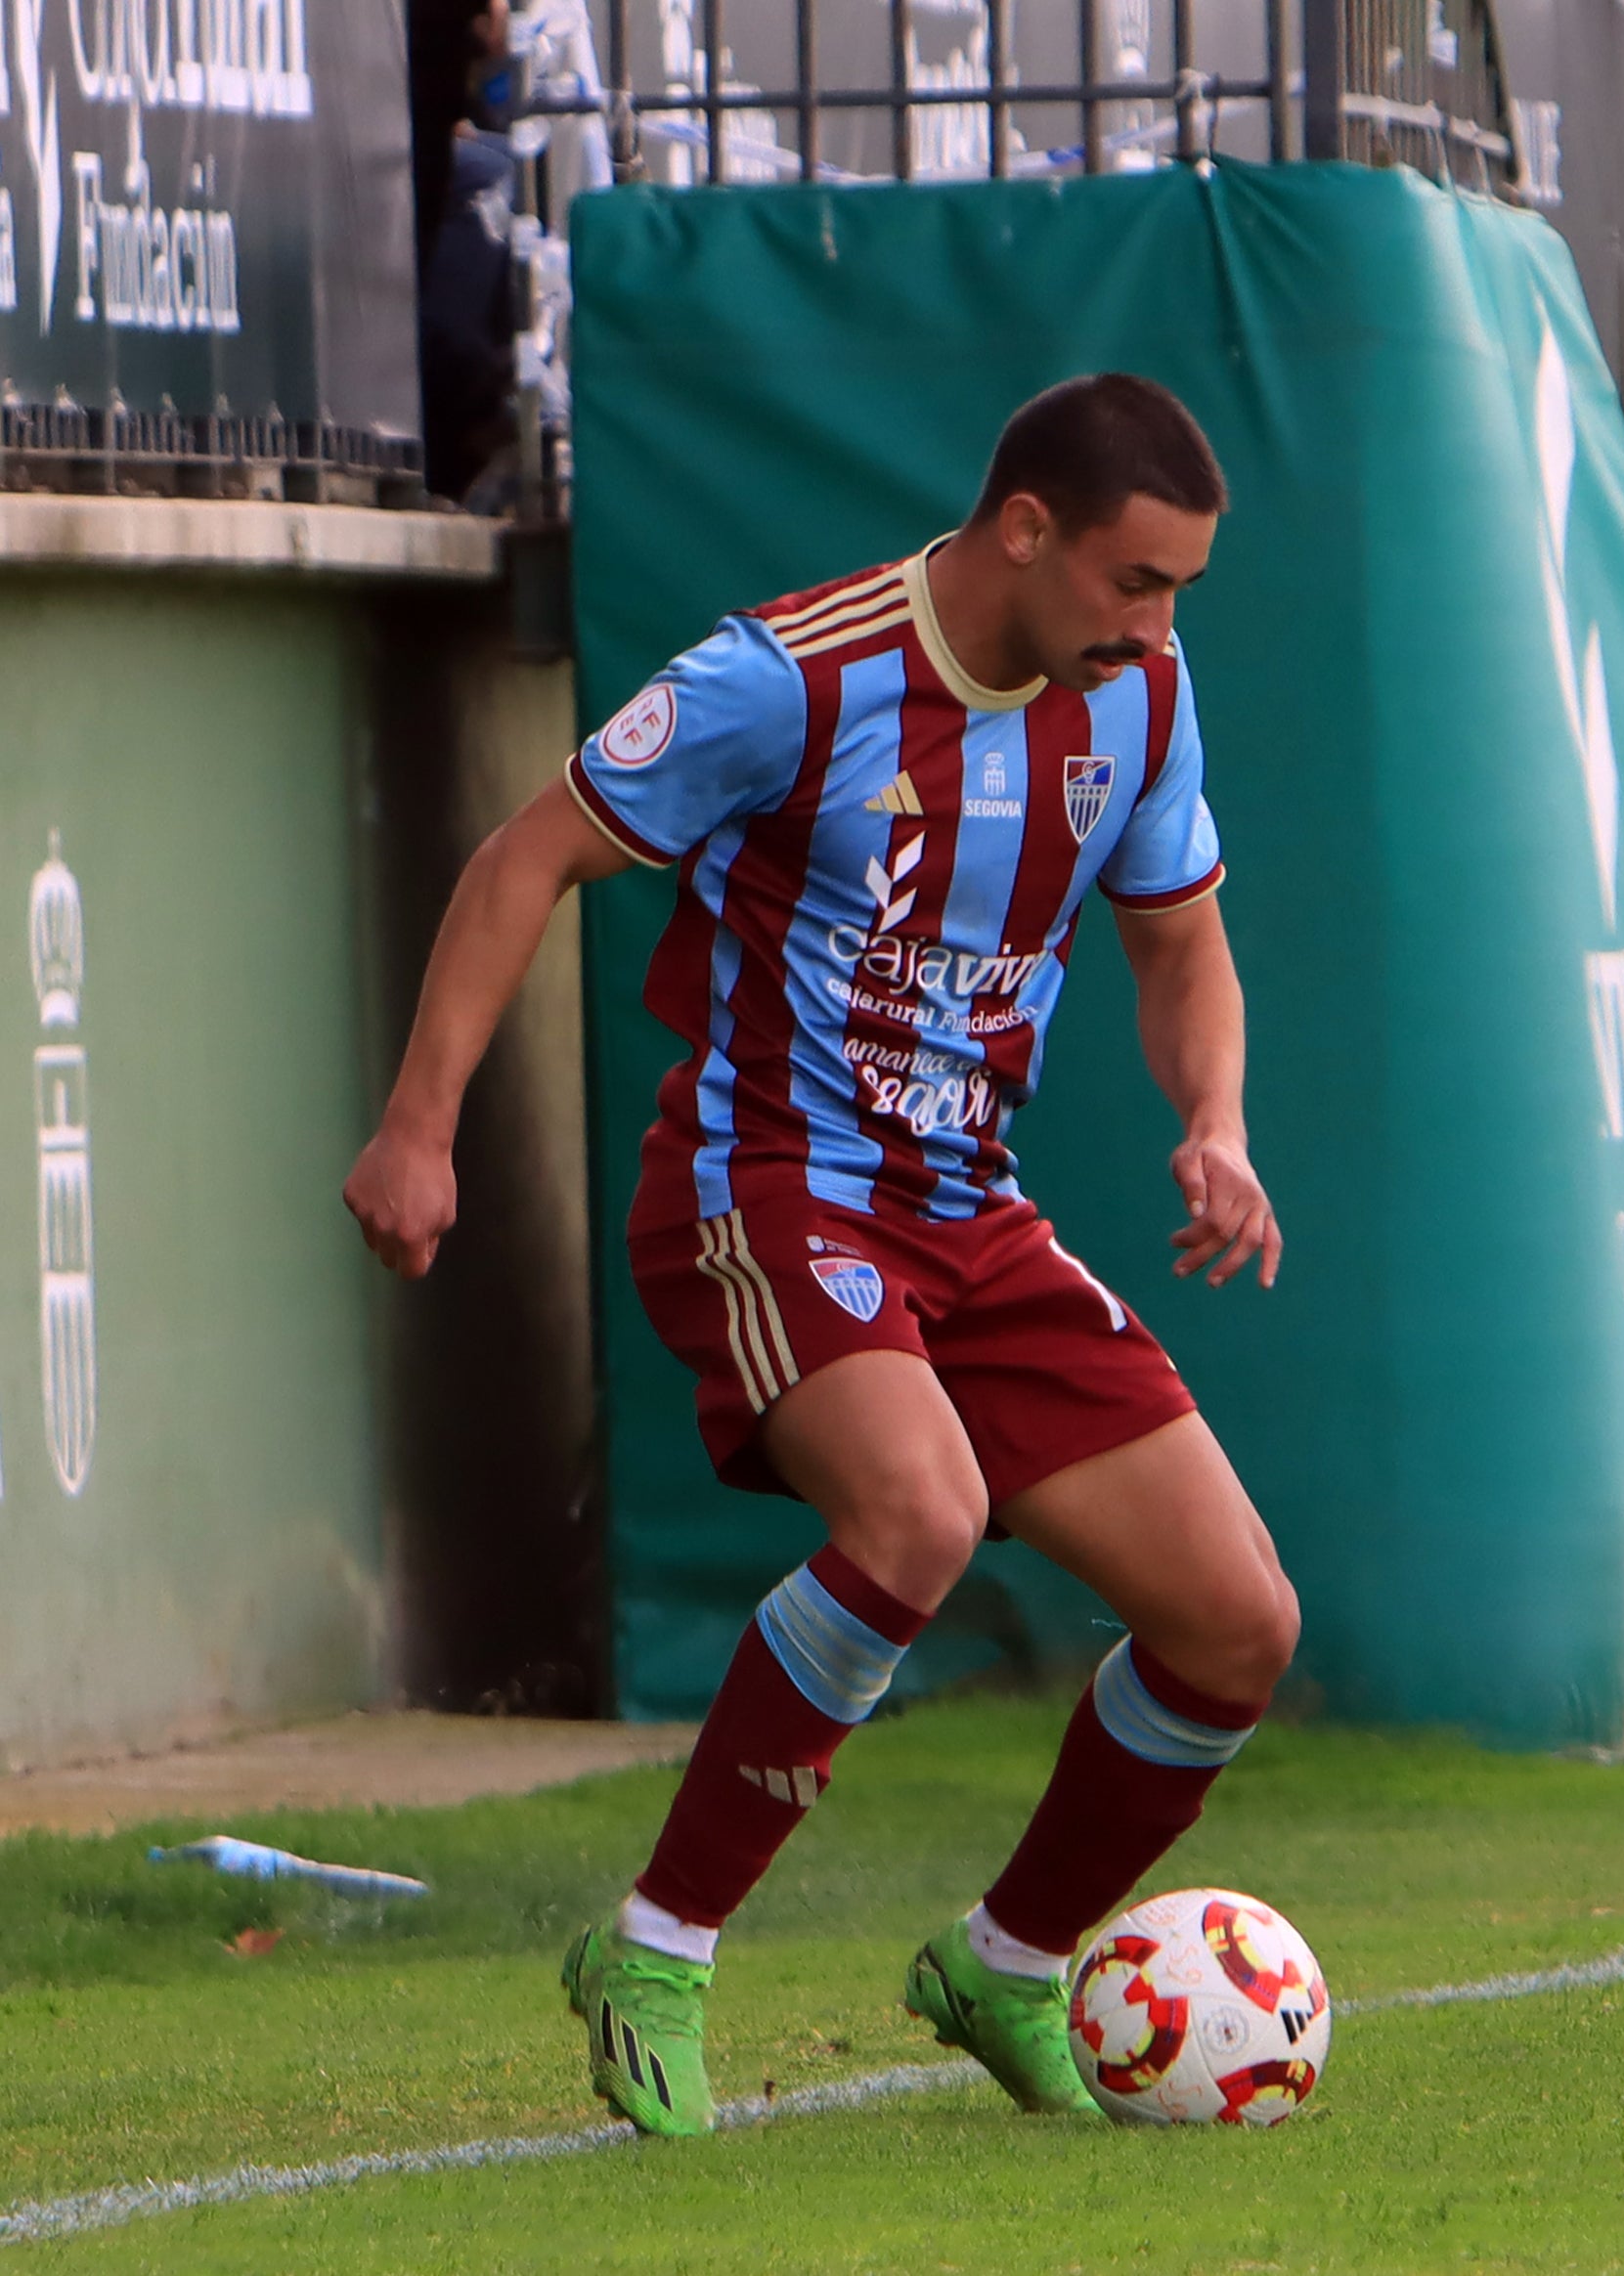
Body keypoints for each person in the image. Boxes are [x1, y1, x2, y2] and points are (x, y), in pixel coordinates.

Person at [342, 374, 1299, 2138]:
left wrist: (1216, 1125)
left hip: (969, 1209)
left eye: (1179, 591)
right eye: (1134, 581)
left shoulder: (1139, 697)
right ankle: (658, 1941)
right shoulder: (793, 676)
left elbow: (1182, 948)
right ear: (1027, 529)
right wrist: (419, 1126)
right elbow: (527, 854)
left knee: (1237, 1622)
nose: (1157, 625)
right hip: (766, 1182)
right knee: (919, 1513)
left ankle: (1008, 1963)